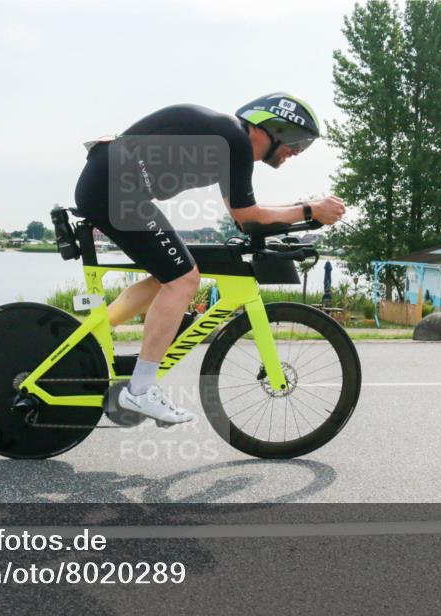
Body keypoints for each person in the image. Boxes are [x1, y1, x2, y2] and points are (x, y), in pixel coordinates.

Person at [73, 93, 346, 425]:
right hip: (115, 188)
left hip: (109, 184)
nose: (295, 153)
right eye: (297, 143)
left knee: (169, 276)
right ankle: (140, 390)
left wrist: (306, 209)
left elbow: (245, 217)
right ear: (275, 127)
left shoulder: (226, 141)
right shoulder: (233, 140)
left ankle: (83, 339)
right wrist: (309, 209)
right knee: (184, 279)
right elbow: (249, 217)